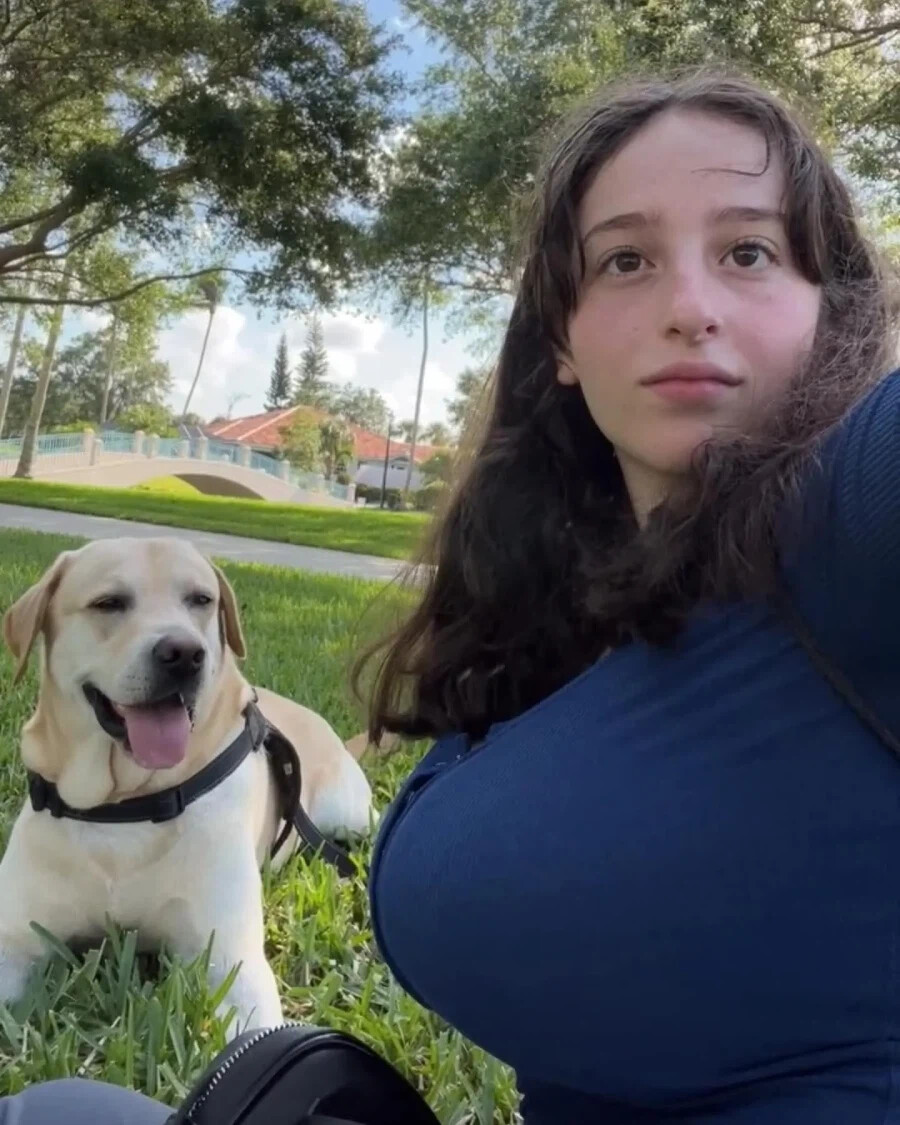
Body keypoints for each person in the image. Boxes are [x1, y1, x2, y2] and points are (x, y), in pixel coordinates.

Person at [359, 68, 900, 1124]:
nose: (689, 309)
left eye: (749, 252)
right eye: (625, 261)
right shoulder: (545, 606)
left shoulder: (853, 523)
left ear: (830, 309)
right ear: (562, 340)